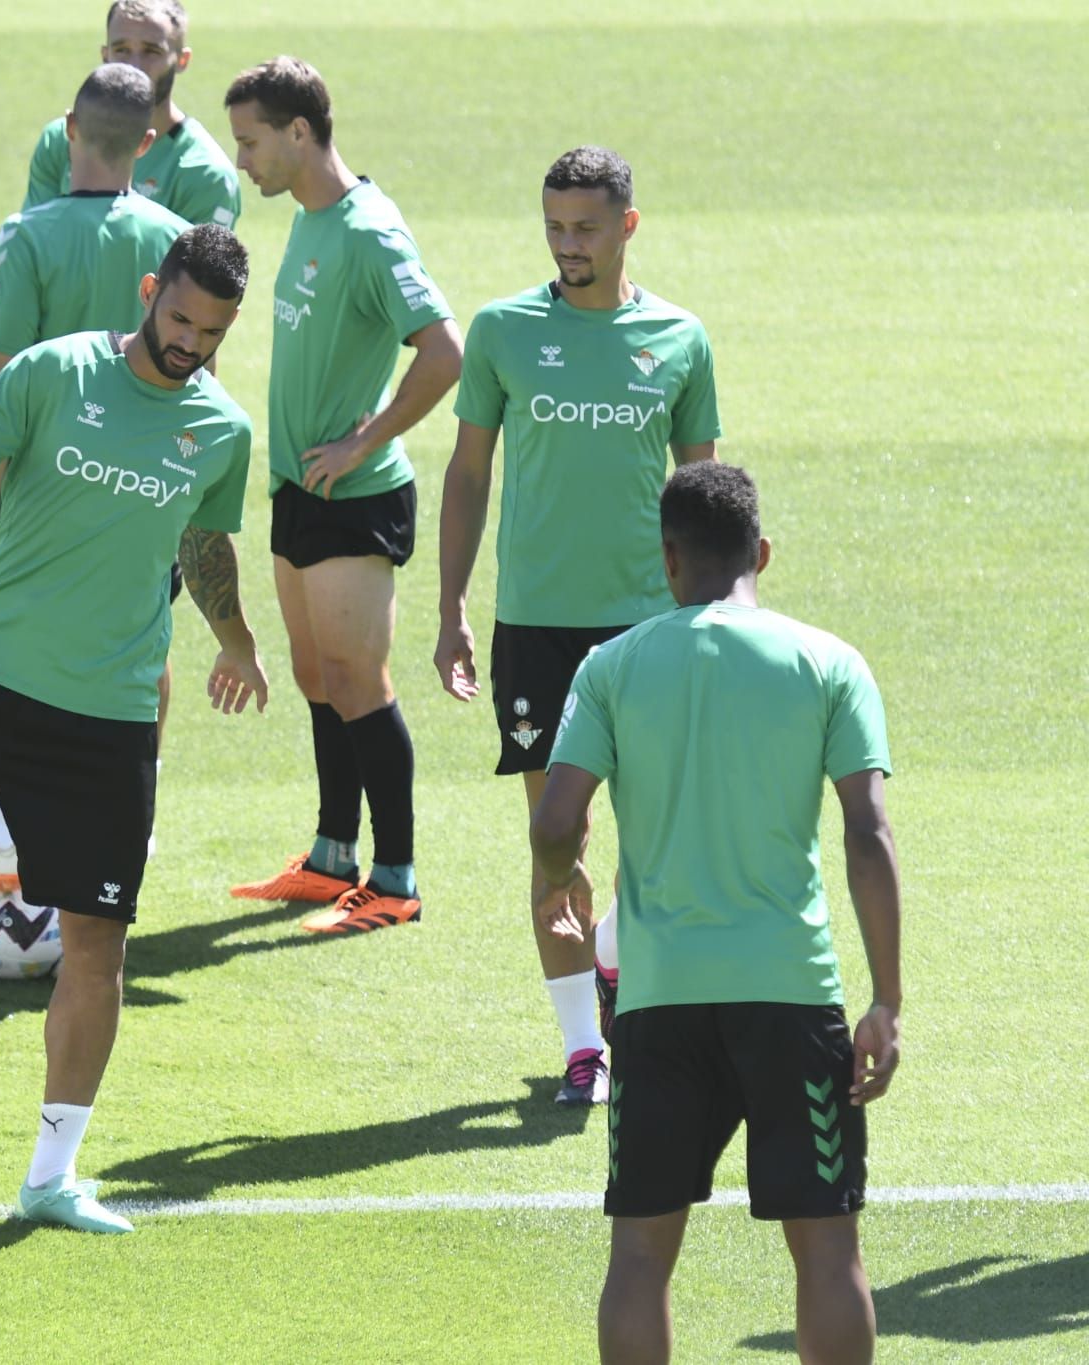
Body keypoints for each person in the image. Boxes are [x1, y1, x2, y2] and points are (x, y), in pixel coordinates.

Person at [0, 226, 266, 1234]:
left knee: (95, 952)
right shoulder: (55, 372)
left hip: (106, 721)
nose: (187, 346)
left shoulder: (220, 429)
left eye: (209, 334)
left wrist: (235, 637)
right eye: (176, 320)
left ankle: (50, 1177)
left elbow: (203, 537)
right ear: (148, 290)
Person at [530, 461, 901, 1364]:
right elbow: (868, 835)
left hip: (660, 1003)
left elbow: (554, 819)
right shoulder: (830, 662)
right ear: (761, 550)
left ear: (668, 560)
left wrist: (563, 877)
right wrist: (887, 999)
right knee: (826, 1248)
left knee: (641, 1256)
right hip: (791, 994)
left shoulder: (611, 666)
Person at [433, 146, 721, 1104]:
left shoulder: (681, 339)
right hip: (537, 629)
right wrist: (452, 608)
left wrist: (715, 619)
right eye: (554, 227)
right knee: (554, 841)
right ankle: (582, 1049)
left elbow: (703, 495)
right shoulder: (503, 331)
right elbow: (469, 473)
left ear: (627, 226)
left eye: (586, 228)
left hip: (649, 629)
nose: (568, 246)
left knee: (653, 843)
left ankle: (617, 963)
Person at [0, 62, 190, 896]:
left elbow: (0, 384)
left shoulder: (29, 233)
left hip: (45, 485)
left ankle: (8, 831)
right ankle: (127, 822)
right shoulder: (175, 237)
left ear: (68, 131)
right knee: (140, 642)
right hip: (145, 484)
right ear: (147, 143)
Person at [220, 57, 463, 933]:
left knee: (359, 680)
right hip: (299, 486)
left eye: (251, 142)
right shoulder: (314, 218)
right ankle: (333, 856)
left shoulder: (369, 230)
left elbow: (445, 351)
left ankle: (394, 881)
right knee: (317, 673)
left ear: (298, 132)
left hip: (354, 495)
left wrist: (366, 438)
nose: (242, 162)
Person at [22, 1, 239, 230]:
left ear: (182, 61)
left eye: (151, 51)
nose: (134, 66)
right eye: (122, 50)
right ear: (105, 55)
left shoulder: (206, 173)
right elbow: (34, 239)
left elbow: (198, 266)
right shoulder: (62, 140)